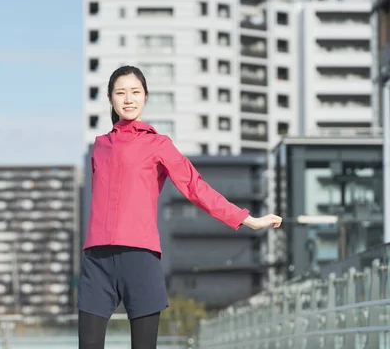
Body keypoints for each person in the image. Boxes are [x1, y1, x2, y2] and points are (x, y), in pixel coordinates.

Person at [77, 65, 282, 349]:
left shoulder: (158, 144)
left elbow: (195, 187)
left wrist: (248, 219)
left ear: (145, 97)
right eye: (120, 92)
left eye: (135, 92)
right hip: (96, 259)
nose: (128, 99)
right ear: (110, 99)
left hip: (140, 258)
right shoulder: (99, 146)